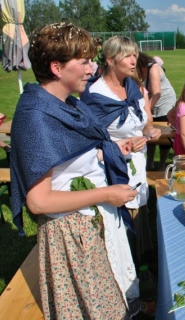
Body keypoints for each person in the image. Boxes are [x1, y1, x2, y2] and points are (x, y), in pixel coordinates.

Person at [10, 23, 142, 319]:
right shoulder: (35, 116)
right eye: (84, 61)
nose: (92, 67)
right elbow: (39, 201)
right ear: (56, 67)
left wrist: (105, 152)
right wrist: (107, 193)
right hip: (71, 233)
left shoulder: (66, 104)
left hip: (89, 224)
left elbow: (65, 158)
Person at [80, 36, 161, 267]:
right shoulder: (95, 95)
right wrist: (120, 146)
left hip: (138, 167)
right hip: (113, 172)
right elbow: (88, 143)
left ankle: (142, 268)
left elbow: (145, 123)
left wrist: (150, 133)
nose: (134, 60)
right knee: (122, 227)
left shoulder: (133, 86)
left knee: (140, 216)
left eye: (134, 54)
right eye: (127, 55)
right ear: (110, 60)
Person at [136, 52, 176, 171]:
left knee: (164, 133)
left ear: (141, 65)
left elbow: (157, 93)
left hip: (165, 102)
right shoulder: (138, 71)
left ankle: (162, 165)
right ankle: (149, 163)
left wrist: (145, 109)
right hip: (150, 101)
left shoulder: (153, 69)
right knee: (150, 132)